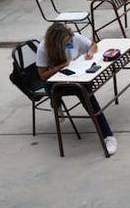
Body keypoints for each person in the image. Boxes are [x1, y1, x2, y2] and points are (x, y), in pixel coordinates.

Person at [35, 23, 117, 156]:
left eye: (71, 41)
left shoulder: (75, 37)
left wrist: (90, 52)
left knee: (87, 97)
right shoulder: (43, 48)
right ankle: (56, 104)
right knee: (55, 88)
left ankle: (108, 136)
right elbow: (43, 75)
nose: (71, 44)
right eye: (67, 43)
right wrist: (62, 66)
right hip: (55, 82)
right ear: (56, 44)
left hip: (76, 75)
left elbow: (93, 44)